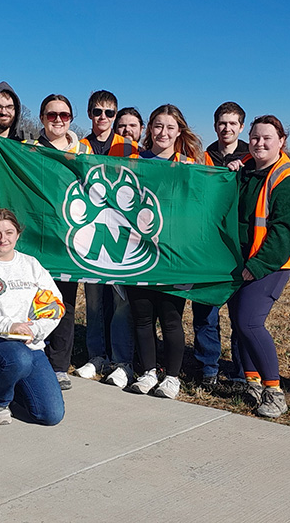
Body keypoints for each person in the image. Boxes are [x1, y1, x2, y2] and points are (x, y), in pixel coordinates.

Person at [227, 115, 290, 418]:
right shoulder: (246, 171)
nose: (260, 143)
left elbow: (284, 232)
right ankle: (252, 382)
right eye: (255, 138)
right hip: (242, 261)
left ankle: (274, 392)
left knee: (250, 322)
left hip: (271, 264)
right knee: (238, 321)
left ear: (281, 142)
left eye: (267, 138)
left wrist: (259, 265)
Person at [0, 208, 66, 425]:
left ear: (18, 234)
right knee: (18, 358)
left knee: (51, 415)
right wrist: (8, 326)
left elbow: (54, 306)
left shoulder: (31, 265)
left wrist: (35, 329)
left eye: (9, 232)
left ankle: (12, 385)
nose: (2, 239)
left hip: (29, 345)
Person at [125, 104, 201, 399]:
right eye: (158, 126)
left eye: (170, 127)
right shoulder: (133, 161)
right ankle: (147, 372)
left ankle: (171, 377)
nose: (163, 132)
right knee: (142, 317)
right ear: (149, 130)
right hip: (137, 251)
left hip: (172, 256)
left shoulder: (189, 166)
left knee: (171, 319)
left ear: (179, 131)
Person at [74, 90, 141, 388]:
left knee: (121, 300)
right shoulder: (80, 147)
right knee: (94, 301)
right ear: (89, 114)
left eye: (109, 113)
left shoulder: (129, 148)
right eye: (98, 112)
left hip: (121, 235)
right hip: (90, 233)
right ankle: (97, 355)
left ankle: (122, 360)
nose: (103, 118)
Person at [26, 94, 91, 390]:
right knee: (32, 301)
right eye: (52, 115)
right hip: (36, 237)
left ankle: (59, 364)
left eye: (64, 115)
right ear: (42, 118)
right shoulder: (27, 150)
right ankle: (31, 354)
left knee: (63, 302)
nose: (58, 121)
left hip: (69, 239)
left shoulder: (84, 150)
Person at [193, 101, 250, 391]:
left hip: (239, 247)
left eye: (232, 123)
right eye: (222, 123)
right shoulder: (203, 157)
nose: (226, 128)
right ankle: (208, 366)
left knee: (241, 315)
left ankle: (241, 373)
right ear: (215, 125)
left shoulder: (254, 158)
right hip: (207, 245)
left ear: (241, 126)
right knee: (205, 311)